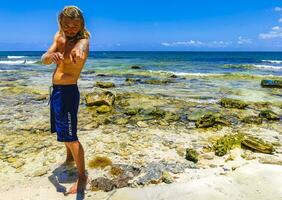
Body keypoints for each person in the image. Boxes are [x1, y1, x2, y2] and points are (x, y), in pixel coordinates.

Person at [41, 5, 90, 194]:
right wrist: (50, 56)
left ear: (81, 25)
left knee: (70, 136)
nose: (71, 29)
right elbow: (44, 58)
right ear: (61, 23)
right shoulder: (58, 37)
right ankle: (69, 158)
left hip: (69, 93)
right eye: (67, 25)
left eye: (75, 26)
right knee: (62, 131)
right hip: (57, 91)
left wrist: (78, 51)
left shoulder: (83, 40)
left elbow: (81, 46)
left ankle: (82, 176)